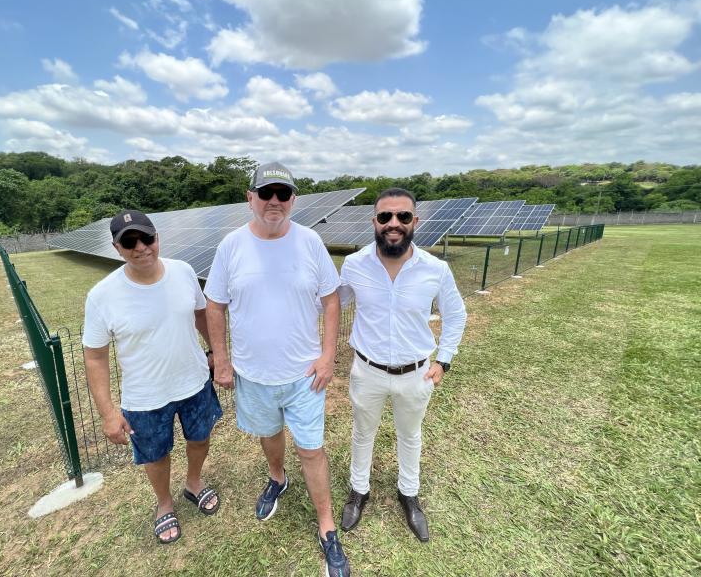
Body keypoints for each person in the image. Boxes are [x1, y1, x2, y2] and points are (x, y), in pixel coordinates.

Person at [204, 162, 350, 577]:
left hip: (305, 375)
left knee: (311, 449)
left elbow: (332, 299)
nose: (274, 201)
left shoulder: (310, 242)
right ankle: (277, 478)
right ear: (249, 198)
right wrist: (223, 358)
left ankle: (326, 527)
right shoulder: (231, 246)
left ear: (293, 200)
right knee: (268, 436)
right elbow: (215, 304)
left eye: (282, 194)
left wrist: (327, 357)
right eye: (265, 193)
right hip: (253, 374)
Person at [83, 209, 222, 545]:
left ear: (157, 237)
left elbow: (201, 312)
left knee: (200, 438)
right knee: (156, 454)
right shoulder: (102, 295)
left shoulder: (184, 272)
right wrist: (107, 413)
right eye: (129, 242)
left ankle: (193, 482)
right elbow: (95, 356)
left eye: (147, 238)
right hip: (145, 395)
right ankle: (164, 503)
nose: (141, 247)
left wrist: (216, 351)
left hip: (194, 381)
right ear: (117, 248)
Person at [338, 188, 467, 542]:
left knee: (410, 436)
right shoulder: (354, 265)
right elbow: (331, 305)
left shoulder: (435, 269)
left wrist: (444, 361)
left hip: (416, 373)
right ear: (374, 221)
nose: (393, 223)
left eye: (403, 217)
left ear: (414, 222)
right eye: (385, 217)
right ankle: (358, 490)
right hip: (367, 371)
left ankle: (408, 494)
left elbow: (456, 315)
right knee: (362, 433)